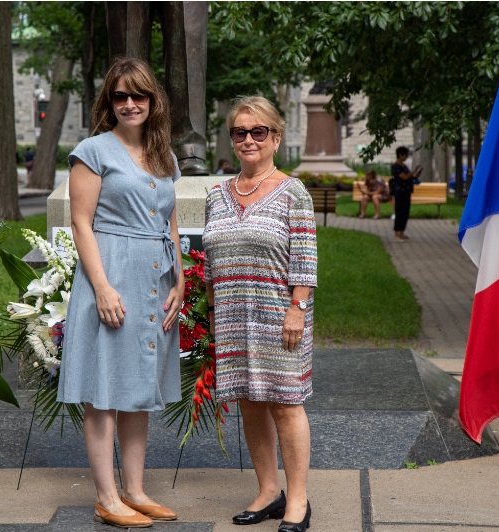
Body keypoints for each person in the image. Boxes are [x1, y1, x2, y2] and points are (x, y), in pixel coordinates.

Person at [57, 57, 184, 527]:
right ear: (108, 102)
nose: (130, 104)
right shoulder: (93, 151)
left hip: (155, 279)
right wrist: (103, 287)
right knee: (104, 388)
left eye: (139, 96)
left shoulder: (163, 156)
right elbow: (81, 224)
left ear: (153, 101)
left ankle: (134, 488)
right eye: (120, 96)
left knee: (139, 385)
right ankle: (106, 497)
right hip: (111, 275)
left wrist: (180, 279)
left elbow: (169, 222)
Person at [203, 96, 317, 532]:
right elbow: (210, 264)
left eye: (258, 132)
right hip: (232, 317)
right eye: (239, 132)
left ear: (275, 137)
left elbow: (305, 259)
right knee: (250, 405)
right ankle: (269, 491)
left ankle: (299, 500)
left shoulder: (293, 192)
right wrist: (212, 314)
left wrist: (297, 308)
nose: (248, 140)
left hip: (280, 316)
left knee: (286, 405)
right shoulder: (218, 195)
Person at [390, 146, 422, 241]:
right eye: (405, 155)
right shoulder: (395, 166)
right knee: (399, 212)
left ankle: (402, 231)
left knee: (405, 212)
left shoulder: (404, 166)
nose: (407, 157)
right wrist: (413, 171)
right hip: (400, 191)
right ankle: (397, 233)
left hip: (407, 191)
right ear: (400, 155)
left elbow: (410, 177)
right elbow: (404, 177)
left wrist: (416, 175)